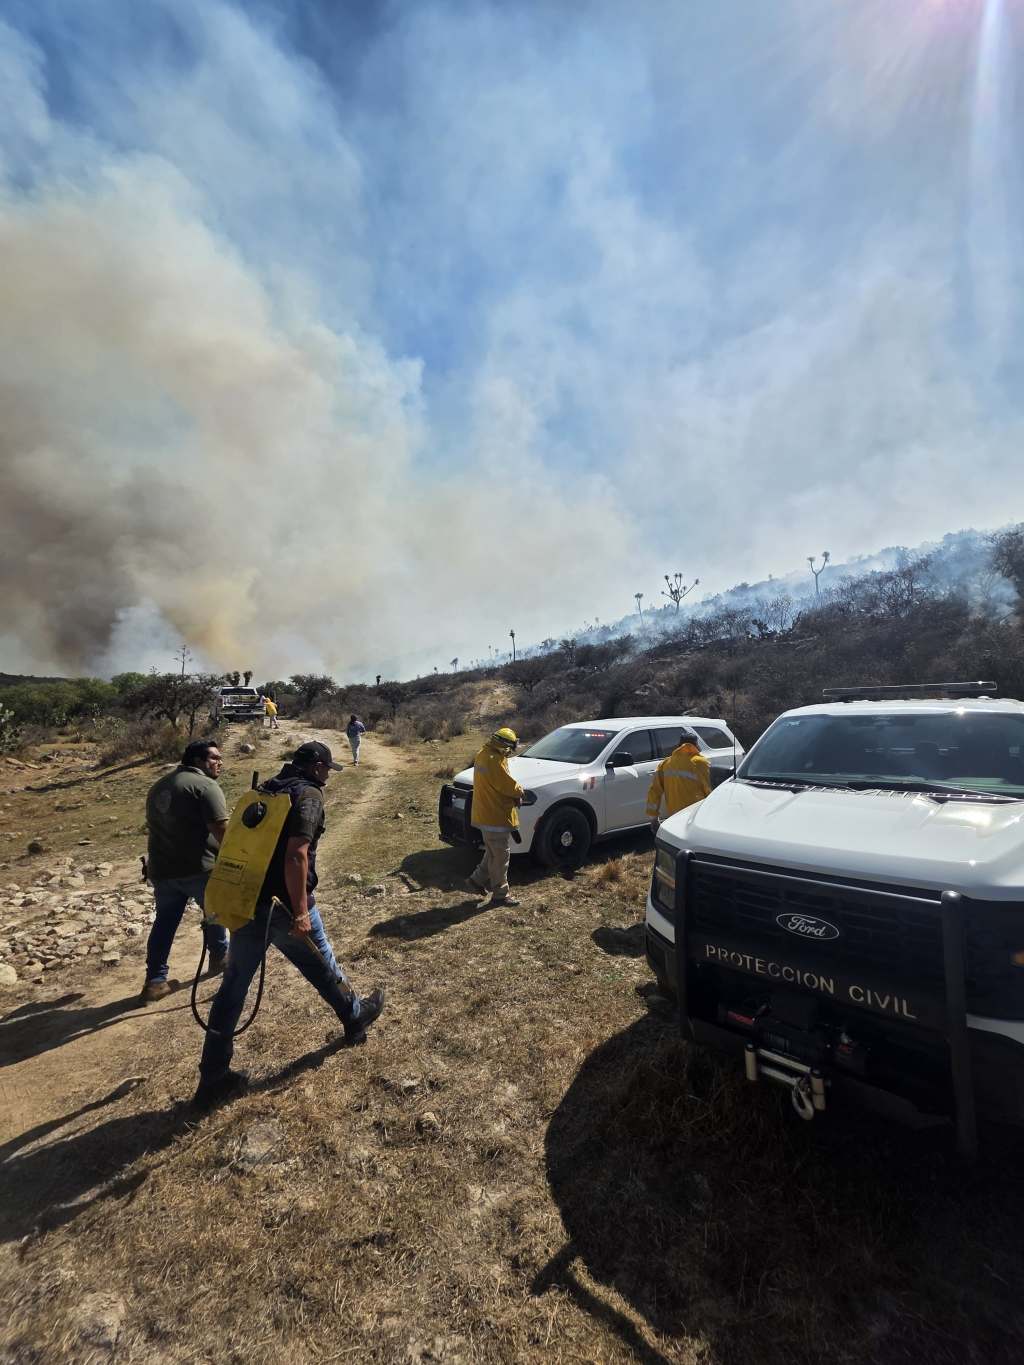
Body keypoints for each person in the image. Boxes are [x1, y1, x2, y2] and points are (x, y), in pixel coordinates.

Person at [193, 740, 384, 1111]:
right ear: (316, 767)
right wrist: (300, 911)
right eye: (328, 769)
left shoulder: (267, 787)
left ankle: (212, 1076)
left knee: (233, 985)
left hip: (249, 901)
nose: (328, 775)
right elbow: (297, 854)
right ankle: (355, 1016)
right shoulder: (308, 795)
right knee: (320, 962)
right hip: (284, 904)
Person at [141, 738, 230, 1002]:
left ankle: (155, 981)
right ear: (198, 761)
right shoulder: (205, 786)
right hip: (199, 868)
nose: (219, 763)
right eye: (214, 758)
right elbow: (222, 830)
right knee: (214, 914)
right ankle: (220, 957)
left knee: (164, 924)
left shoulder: (158, 786)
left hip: (162, 869)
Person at [466, 727, 524, 907]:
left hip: (485, 813)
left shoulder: (483, 754)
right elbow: (506, 785)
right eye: (510, 747)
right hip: (495, 815)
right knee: (500, 856)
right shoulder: (494, 760)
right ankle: (500, 894)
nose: (510, 751)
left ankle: (476, 880)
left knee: (492, 851)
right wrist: (519, 792)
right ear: (504, 745)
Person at [646, 728, 711, 832]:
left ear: (679, 745)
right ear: (696, 745)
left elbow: (654, 791)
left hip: (675, 816)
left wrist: (653, 818)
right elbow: (709, 789)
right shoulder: (700, 762)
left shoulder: (666, 763)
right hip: (696, 814)